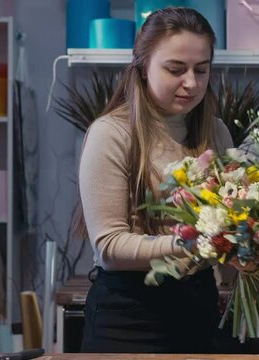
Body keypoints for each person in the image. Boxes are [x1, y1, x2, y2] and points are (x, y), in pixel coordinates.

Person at [77, 7, 234, 353]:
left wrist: (251, 245)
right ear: (143, 67)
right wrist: (195, 244)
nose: (191, 83)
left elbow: (229, 222)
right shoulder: (111, 134)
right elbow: (111, 246)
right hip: (129, 317)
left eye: (202, 70)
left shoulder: (216, 132)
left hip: (198, 308)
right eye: (175, 69)